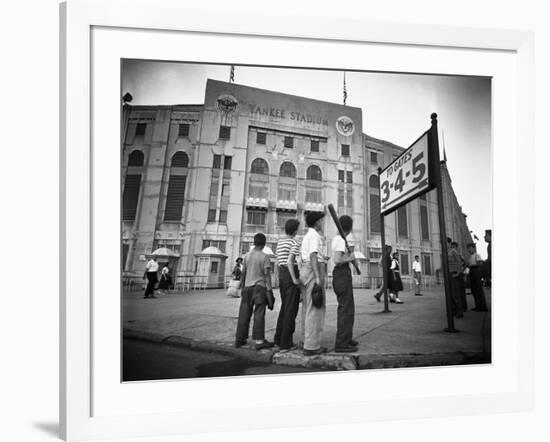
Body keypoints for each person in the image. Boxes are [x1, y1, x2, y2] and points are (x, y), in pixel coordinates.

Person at [235, 233, 274, 350]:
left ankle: (239, 339)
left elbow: (243, 274)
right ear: (264, 244)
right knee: (259, 314)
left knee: (244, 314)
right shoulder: (265, 257)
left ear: (254, 242)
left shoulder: (246, 256)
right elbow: (267, 275)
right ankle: (259, 341)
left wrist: (242, 288)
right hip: (259, 288)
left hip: (247, 288)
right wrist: (270, 290)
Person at [299, 211, 327, 356]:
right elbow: (313, 255)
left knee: (307, 307)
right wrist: (317, 277)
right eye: (321, 221)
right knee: (315, 308)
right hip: (313, 270)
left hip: (306, 269)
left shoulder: (307, 236)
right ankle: (311, 346)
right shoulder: (315, 236)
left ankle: (305, 340)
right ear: (316, 222)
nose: (322, 223)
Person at [331, 215, 359, 353]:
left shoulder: (339, 239)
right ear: (349, 227)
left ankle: (347, 338)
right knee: (345, 310)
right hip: (341, 274)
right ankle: (342, 343)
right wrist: (350, 258)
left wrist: (349, 256)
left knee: (349, 309)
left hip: (342, 274)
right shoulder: (341, 240)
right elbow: (337, 259)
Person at [274, 219, 301, 351]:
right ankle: (286, 343)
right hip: (290, 274)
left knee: (285, 307)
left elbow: (278, 261)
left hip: (282, 275)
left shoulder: (280, 242)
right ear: (295, 230)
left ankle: (278, 339)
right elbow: (290, 261)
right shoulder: (294, 242)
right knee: (291, 309)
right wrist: (295, 279)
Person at [466, 242, 488, 312]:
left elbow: (480, 263)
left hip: (476, 272)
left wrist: (473, 266)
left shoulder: (476, 255)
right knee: (474, 290)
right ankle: (477, 305)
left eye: (469, 248)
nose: (468, 250)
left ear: (473, 248)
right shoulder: (470, 257)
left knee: (478, 290)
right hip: (472, 272)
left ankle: (482, 306)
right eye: (468, 249)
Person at [448, 241, 465, 318]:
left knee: (455, 294)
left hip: (454, 273)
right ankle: (454, 310)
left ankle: (459, 311)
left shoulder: (453, 251)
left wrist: (458, 273)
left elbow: (459, 261)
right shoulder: (449, 251)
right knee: (452, 294)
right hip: (451, 274)